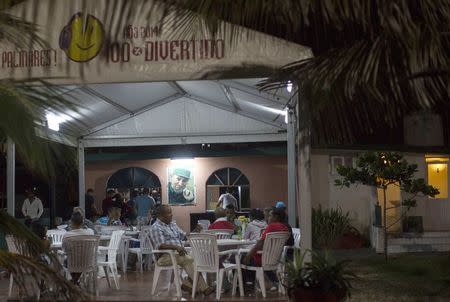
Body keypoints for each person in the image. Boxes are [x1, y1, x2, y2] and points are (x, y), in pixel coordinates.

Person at [149, 205, 214, 295]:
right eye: (169, 213)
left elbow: (184, 236)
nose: (171, 215)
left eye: (171, 212)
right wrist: (176, 247)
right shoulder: (156, 227)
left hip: (179, 254)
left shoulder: (172, 225)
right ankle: (204, 288)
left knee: (197, 258)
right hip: (165, 257)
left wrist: (195, 230)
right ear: (160, 216)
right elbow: (160, 245)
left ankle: (188, 284)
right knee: (186, 259)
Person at [241, 208, 289, 293]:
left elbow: (260, 244)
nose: (267, 218)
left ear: (276, 217)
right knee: (247, 258)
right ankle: (275, 282)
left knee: (239, 258)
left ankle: (247, 285)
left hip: (261, 259)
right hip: (275, 258)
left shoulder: (271, 226)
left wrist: (249, 255)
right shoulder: (285, 228)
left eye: (270, 215)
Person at [62, 212, 95, 284]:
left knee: (68, 260)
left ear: (71, 222)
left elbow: (64, 249)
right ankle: (75, 281)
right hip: (87, 262)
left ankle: (73, 282)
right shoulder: (90, 232)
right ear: (83, 222)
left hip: (72, 263)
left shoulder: (67, 235)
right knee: (80, 261)